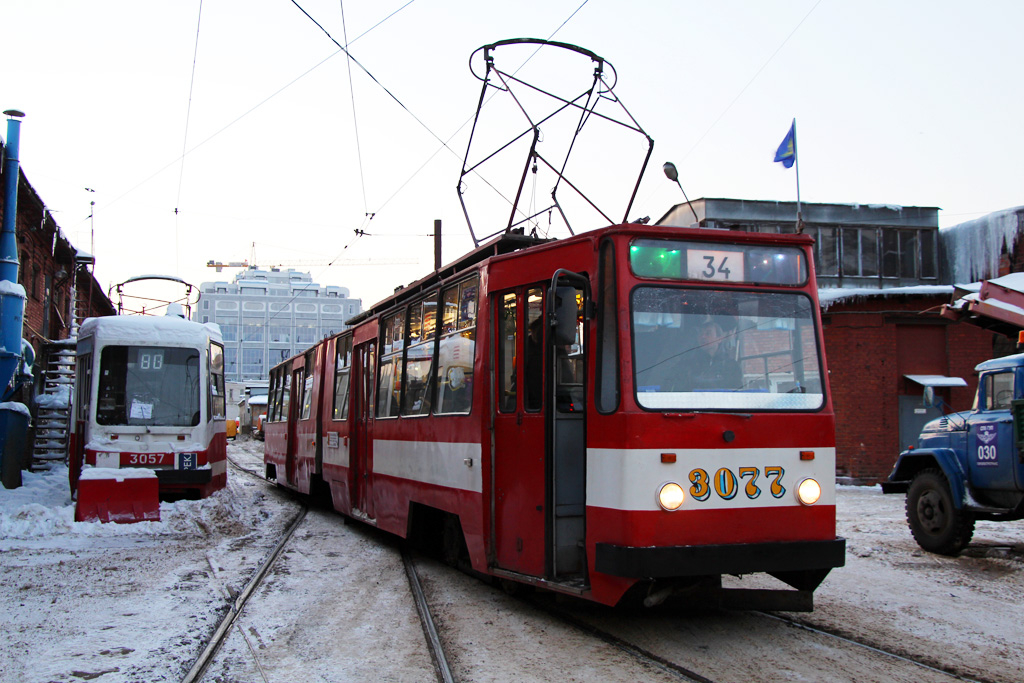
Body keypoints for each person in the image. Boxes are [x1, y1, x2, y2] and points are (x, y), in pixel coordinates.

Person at [668, 320, 742, 391]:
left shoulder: (731, 366)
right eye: (700, 333)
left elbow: (736, 393)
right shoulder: (687, 364)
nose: (703, 336)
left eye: (708, 333)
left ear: (719, 339)